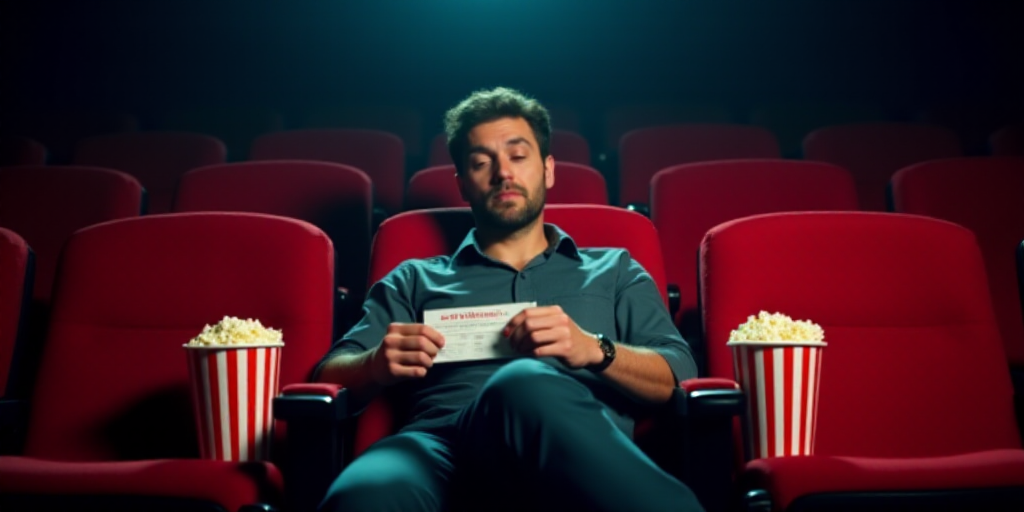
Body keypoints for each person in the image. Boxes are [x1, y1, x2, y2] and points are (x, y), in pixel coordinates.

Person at [315, 87, 704, 512]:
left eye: (518, 157)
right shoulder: (414, 277)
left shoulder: (615, 270)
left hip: (567, 454)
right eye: (481, 163)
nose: (503, 173)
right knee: (365, 491)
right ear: (463, 184)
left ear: (548, 169)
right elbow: (328, 375)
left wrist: (594, 348)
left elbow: (679, 372)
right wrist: (374, 363)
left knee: (525, 384)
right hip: (437, 448)